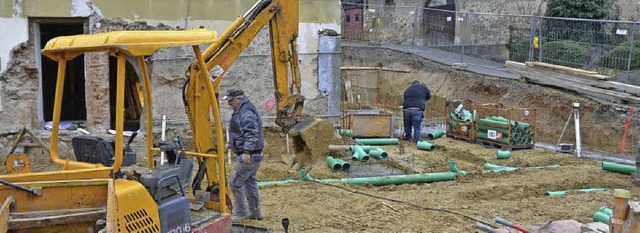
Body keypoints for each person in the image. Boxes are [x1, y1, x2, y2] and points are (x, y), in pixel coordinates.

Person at [224, 88, 265, 223]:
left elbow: (251, 133)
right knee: (249, 181)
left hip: (250, 156)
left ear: (239, 98)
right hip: (255, 154)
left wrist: (247, 152)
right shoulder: (242, 110)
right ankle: (255, 212)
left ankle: (242, 212)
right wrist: (231, 143)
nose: (229, 103)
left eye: (231, 100)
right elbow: (239, 132)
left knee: (235, 183)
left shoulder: (245, 112)